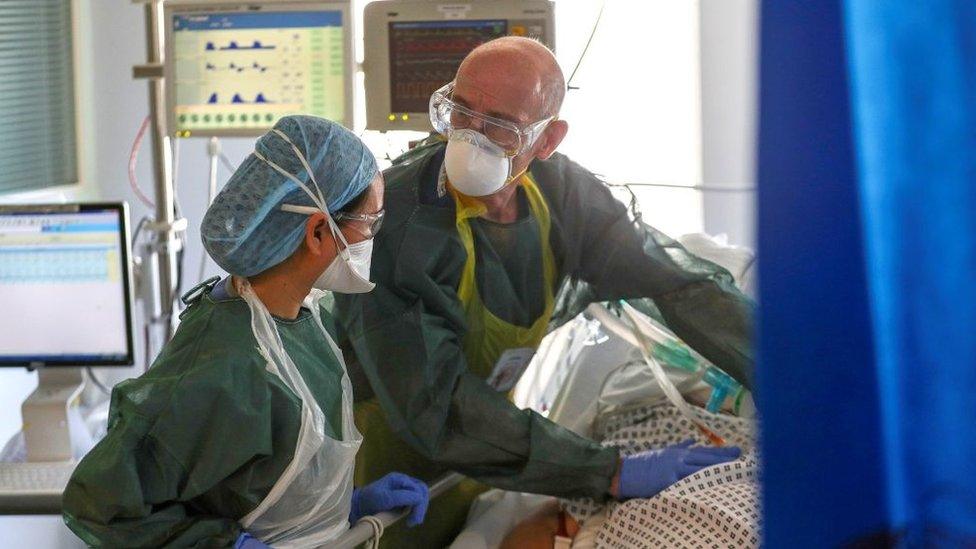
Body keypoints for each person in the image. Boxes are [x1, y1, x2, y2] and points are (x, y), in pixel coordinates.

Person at [334, 37, 752, 547]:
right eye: (460, 112)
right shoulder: (397, 227)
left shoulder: (563, 195)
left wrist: (791, 376)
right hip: (387, 454)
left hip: (493, 437)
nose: (471, 138)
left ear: (547, 139)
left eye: (500, 126)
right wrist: (609, 471)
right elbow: (435, 407)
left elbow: (678, 285)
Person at [62, 116, 429, 548]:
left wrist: (337, 508)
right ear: (316, 232)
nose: (371, 237)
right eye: (370, 223)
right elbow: (101, 506)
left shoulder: (299, 320)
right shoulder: (225, 363)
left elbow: (255, 476)